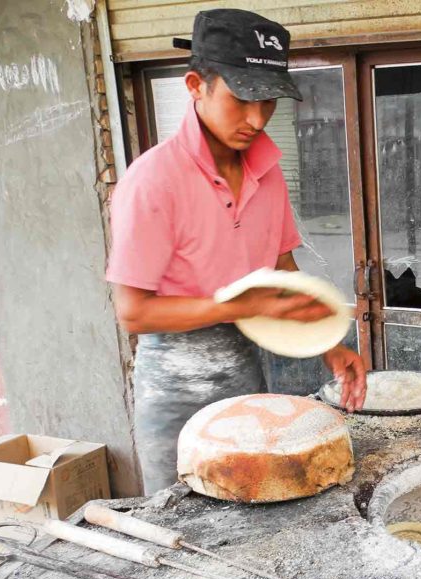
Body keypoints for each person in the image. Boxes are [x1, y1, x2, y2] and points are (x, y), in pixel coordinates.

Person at [106, 9, 366, 494]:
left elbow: (282, 271)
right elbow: (133, 312)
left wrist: (328, 345)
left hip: (245, 369)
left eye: (268, 100)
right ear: (194, 85)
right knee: (185, 519)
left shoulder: (266, 173)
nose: (256, 118)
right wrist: (240, 306)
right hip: (174, 386)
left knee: (247, 506)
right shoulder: (153, 181)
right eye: (242, 97)